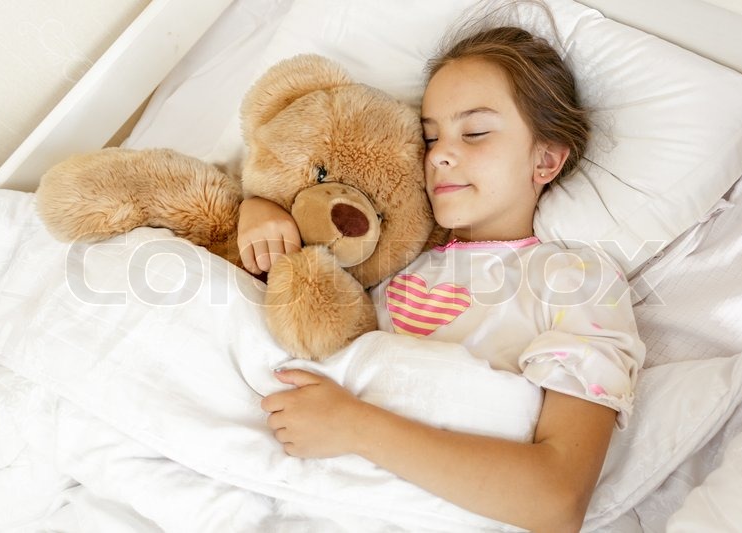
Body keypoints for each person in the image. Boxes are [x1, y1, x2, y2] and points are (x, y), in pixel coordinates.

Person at [240, 21, 644, 533]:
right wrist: (259, 208)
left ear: (545, 159)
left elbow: (557, 499)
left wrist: (355, 427)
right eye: (429, 136)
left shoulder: (570, 278)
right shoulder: (392, 253)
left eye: (474, 132)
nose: (439, 155)